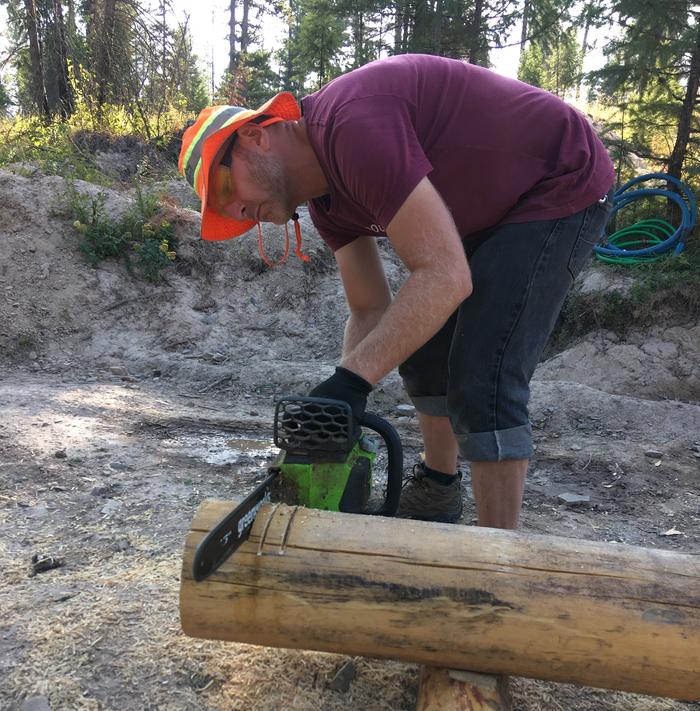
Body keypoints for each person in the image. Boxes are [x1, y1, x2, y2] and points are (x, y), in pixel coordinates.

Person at [179, 54, 614, 530]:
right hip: (484, 205)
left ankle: (497, 563)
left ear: (255, 136)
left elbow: (445, 275)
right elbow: (369, 309)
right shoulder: (327, 203)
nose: (237, 211)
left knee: (483, 371)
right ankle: (438, 488)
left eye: (225, 188)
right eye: (224, 211)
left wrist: (351, 383)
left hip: (557, 178)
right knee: (421, 345)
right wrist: (336, 405)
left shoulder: (353, 126)